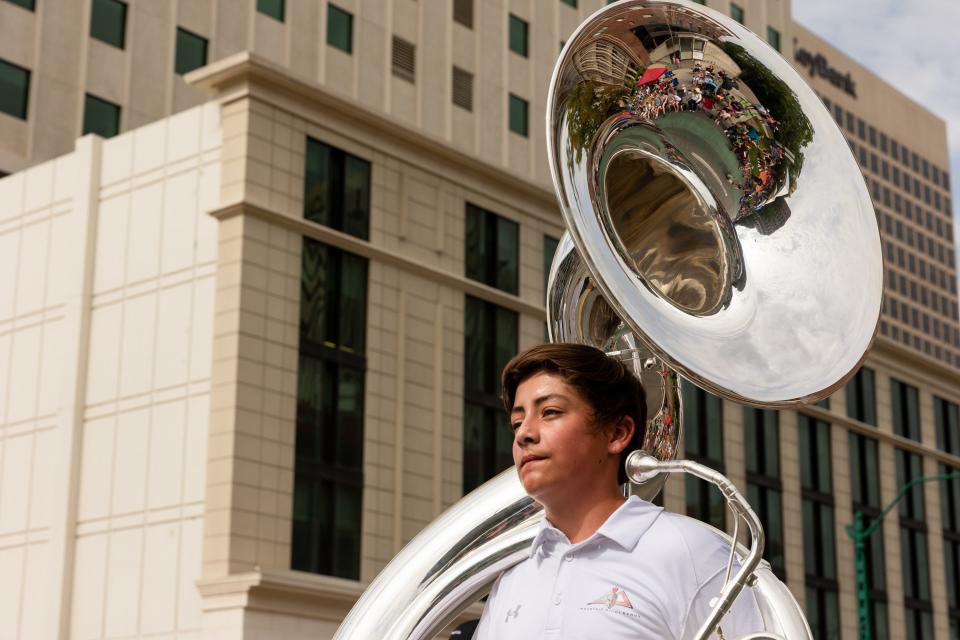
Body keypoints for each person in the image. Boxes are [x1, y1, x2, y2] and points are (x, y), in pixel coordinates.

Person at [472, 343, 763, 639]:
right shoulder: (512, 578)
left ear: (617, 433)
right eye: (517, 423)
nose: (524, 434)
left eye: (550, 412)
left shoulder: (692, 550)